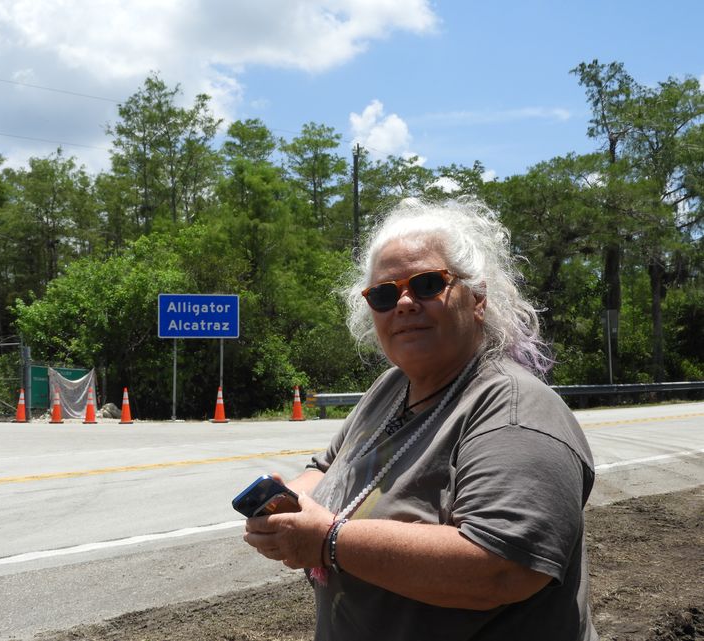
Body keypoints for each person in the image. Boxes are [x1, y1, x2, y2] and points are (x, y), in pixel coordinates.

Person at [242, 197, 597, 640]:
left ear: (478, 299)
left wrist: (329, 541)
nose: (405, 303)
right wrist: (282, 506)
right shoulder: (391, 388)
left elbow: (501, 569)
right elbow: (327, 468)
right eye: (385, 294)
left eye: (428, 283)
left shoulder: (513, 409)